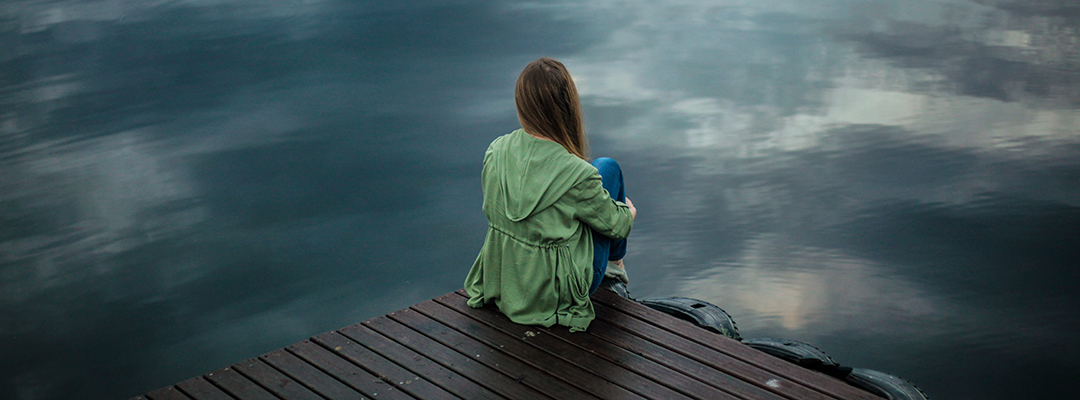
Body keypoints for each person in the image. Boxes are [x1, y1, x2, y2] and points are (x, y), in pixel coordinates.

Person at [463, 57, 637, 332]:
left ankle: (612, 267)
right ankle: (615, 269)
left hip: (507, 280)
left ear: (522, 105)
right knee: (608, 168)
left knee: (597, 176)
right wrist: (628, 211)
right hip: (555, 294)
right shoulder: (578, 174)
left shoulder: (495, 151)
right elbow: (619, 226)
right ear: (567, 107)